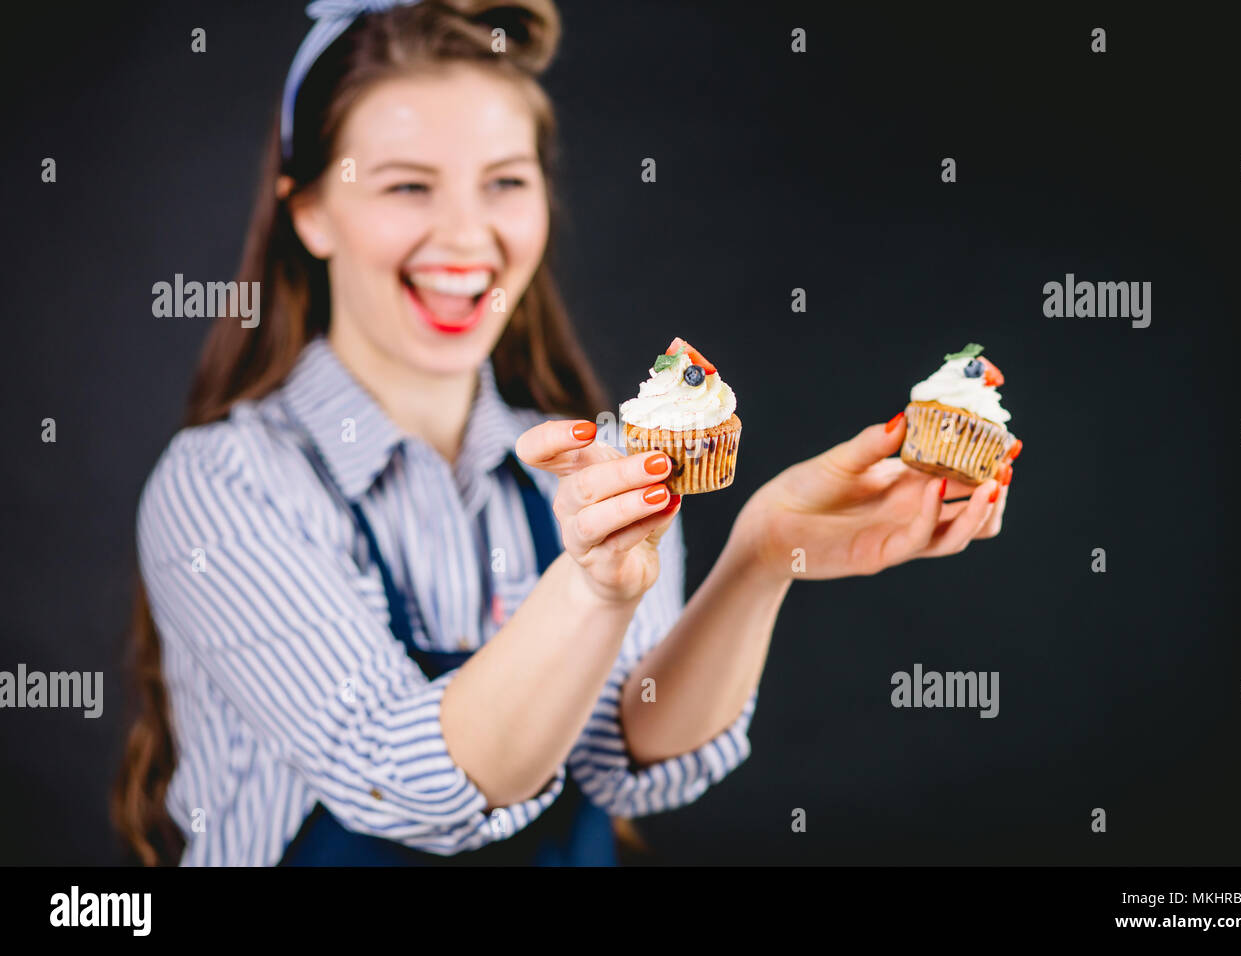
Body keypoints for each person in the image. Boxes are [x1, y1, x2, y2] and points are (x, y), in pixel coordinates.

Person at [114, 0, 1009, 866]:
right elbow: (403, 783)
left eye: (504, 180)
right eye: (406, 185)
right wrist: (589, 591)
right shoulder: (225, 483)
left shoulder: (598, 458)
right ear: (307, 209)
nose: (468, 236)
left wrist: (763, 557)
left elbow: (629, 764)